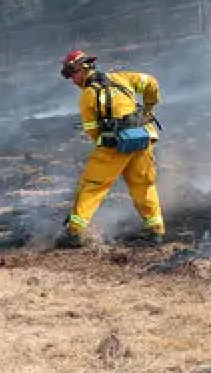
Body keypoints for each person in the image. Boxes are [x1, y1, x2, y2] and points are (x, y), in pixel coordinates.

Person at [55, 49, 165, 248]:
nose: (72, 80)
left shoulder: (88, 95)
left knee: (92, 186)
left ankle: (74, 233)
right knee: (144, 185)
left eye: (72, 74)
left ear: (82, 68)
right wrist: (149, 108)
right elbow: (151, 82)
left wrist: (106, 147)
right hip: (141, 140)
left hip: (113, 147)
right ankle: (155, 230)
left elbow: (93, 131)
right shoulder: (122, 78)